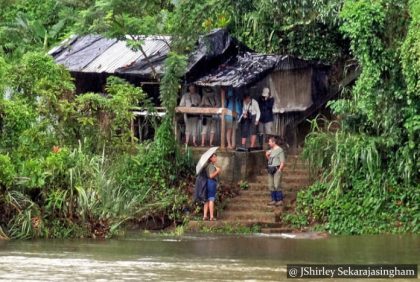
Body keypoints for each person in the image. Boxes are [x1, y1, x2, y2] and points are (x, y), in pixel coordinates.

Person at [266, 136, 285, 206]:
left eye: (270, 142)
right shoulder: (271, 150)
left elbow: (282, 161)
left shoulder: (280, 150)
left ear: (274, 142)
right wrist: (267, 155)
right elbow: (270, 160)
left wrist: (280, 169)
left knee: (277, 184)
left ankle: (279, 199)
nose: (269, 143)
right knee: (271, 185)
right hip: (270, 168)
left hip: (276, 169)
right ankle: (273, 199)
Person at [203, 153, 221, 221]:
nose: (215, 158)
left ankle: (205, 216)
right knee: (211, 199)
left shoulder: (209, 165)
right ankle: (211, 216)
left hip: (207, 182)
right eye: (214, 157)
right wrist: (217, 171)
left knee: (207, 199)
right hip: (211, 183)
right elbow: (211, 176)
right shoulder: (211, 166)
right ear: (210, 158)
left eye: (216, 157)